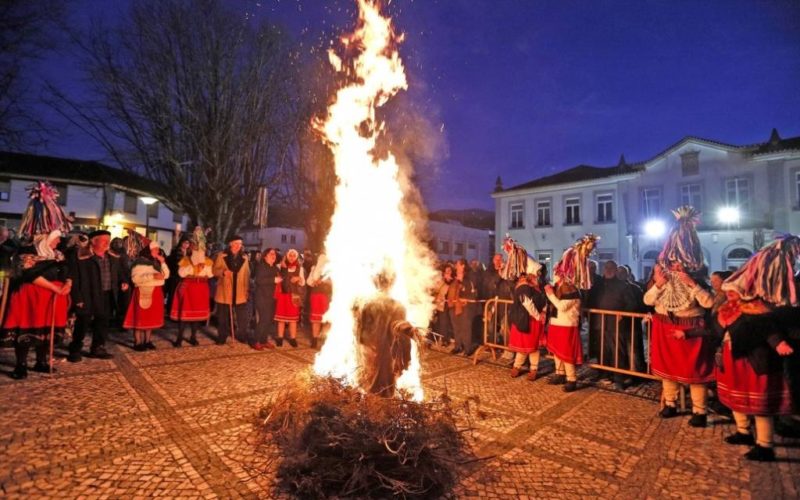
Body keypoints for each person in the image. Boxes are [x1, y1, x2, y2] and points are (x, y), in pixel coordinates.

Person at [714, 236, 800, 462]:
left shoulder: (757, 308)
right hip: (733, 358)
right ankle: (743, 431)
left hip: (755, 359)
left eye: (732, 291)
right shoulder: (727, 309)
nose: (729, 294)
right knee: (736, 399)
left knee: (760, 403)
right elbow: (717, 328)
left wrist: (777, 343)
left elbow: (766, 326)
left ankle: (765, 444)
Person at [644, 206, 714, 427]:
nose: (674, 265)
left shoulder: (697, 280)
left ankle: (699, 411)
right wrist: (658, 284)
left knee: (695, 373)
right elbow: (647, 301)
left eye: (677, 261)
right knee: (668, 372)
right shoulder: (663, 279)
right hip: (665, 326)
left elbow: (709, 303)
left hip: (690, 328)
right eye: (671, 261)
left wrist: (692, 285)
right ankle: (670, 404)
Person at [3, 231, 72, 378]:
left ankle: (41, 361)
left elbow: (67, 270)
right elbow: (29, 273)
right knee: (26, 328)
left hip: (52, 297)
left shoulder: (58, 254)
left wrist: (68, 283)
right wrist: (55, 288)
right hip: (30, 297)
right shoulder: (27, 252)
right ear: (46, 238)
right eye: (57, 237)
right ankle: (21, 365)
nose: (59, 241)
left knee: (47, 330)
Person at [546, 234, 599, 392]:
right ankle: (559, 373)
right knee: (556, 351)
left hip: (567, 324)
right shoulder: (560, 287)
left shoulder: (572, 289)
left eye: (557, 271)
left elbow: (562, 306)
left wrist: (550, 294)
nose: (555, 273)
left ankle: (571, 378)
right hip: (557, 322)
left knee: (566, 353)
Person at [69, 230, 129, 361]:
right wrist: (77, 297)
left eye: (109, 239)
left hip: (107, 294)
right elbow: (74, 278)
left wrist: (123, 281)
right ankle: (75, 349)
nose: (107, 242)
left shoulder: (113, 256)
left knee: (102, 323)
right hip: (87, 295)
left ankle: (97, 348)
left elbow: (119, 273)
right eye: (104, 240)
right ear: (94, 241)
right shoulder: (81, 257)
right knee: (83, 323)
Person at [170, 231, 213, 346]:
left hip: (201, 288)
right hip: (188, 288)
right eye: (196, 247)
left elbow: (210, 274)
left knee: (197, 316)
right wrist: (192, 267)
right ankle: (179, 338)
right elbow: (181, 273)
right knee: (184, 315)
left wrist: (203, 268)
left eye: (200, 248)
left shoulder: (207, 261)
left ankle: (193, 337)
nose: (198, 250)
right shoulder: (186, 260)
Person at [124, 242, 168, 351]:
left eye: (158, 249)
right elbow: (136, 279)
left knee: (150, 318)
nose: (157, 252)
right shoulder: (139, 263)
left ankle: (147, 340)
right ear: (148, 250)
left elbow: (166, 276)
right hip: (142, 292)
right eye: (155, 250)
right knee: (139, 317)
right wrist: (152, 275)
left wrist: (163, 263)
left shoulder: (156, 263)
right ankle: (138, 342)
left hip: (155, 292)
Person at [508, 257, 547, 380]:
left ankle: (533, 368)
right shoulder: (524, 286)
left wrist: (544, 311)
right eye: (538, 272)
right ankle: (517, 366)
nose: (539, 275)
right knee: (525, 345)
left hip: (533, 320)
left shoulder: (536, 285)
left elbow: (543, 299)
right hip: (527, 319)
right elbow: (527, 303)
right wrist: (537, 315)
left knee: (533, 346)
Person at [212, 235, 250, 345]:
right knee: (223, 316)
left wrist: (247, 289)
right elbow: (214, 270)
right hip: (225, 289)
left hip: (240, 290)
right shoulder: (221, 256)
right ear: (231, 244)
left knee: (242, 316)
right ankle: (222, 336)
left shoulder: (244, 258)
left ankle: (242, 335)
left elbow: (247, 275)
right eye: (236, 243)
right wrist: (223, 272)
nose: (239, 246)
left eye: (240, 244)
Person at [446, 258, 479, 356]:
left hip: (465, 306)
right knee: (456, 327)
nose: (456, 266)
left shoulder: (470, 275)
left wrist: (462, 281)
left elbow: (472, 290)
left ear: (463, 265)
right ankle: (458, 346)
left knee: (465, 327)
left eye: (458, 265)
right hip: (454, 305)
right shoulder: (456, 275)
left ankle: (467, 348)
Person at [274, 248, 305, 347]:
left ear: (296, 257)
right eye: (290, 255)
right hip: (282, 295)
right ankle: (280, 338)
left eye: (294, 256)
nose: (291, 258)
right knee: (281, 319)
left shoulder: (300, 268)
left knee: (293, 319)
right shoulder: (279, 266)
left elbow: (303, 282)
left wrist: (298, 278)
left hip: (294, 295)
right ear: (287, 256)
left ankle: (293, 338)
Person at [252, 247, 280, 350]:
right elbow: (259, 280)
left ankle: (263, 341)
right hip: (262, 297)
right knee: (263, 319)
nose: (273, 256)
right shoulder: (261, 266)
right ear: (265, 256)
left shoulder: (275, 268)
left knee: (269, 320)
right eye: (271, 254)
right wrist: (273, 280)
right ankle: (256, 341)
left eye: (274, 254)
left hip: (272, 298)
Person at [306, 253, 331, 349]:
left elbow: (336, 282)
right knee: (315, 319)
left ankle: (325, 339)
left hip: (327, 296)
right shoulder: (314, 268)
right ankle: (314, 339)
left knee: (327, 319)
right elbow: (308, 282)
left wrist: (324, 281)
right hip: (316, 296)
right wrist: (314, 281)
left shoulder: (332, 269)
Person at [166, 235, 190, 314]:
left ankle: (178, 311)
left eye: (188, 243)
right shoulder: (176, 251)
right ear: (181, 243)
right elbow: (177, 263)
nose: (186, 245)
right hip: (175, 276)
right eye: (185, 243)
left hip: (183, 276)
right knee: (173, 294)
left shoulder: (188, 252)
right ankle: (171, 312)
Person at [432, 263, 454, 346]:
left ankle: (450, 337)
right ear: (444, 272)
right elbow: (436, 291)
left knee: (450, 323)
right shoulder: (441, 281)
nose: (449, 272)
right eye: (447, 271)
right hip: (442, 305)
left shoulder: (453, 280)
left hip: (451, 304)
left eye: (450, 270)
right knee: (443, 323)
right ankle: (444, 339)